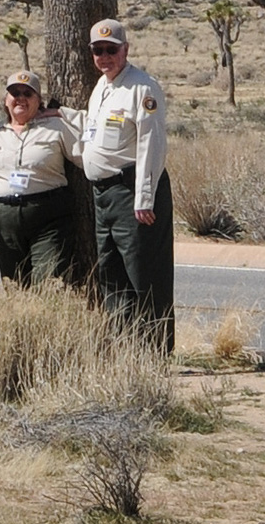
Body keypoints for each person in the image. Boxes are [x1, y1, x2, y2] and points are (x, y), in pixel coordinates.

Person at [81, 18, 174, 352]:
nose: (105, 57)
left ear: (126, 49)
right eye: (98, 51)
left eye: (111, 49)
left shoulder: (142, 88)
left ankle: (155, 352)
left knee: (145, 276)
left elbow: (152, 144)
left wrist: (144, 197)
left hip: (132, 192)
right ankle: (126, 350)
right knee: (112, 277)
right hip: (104, 195)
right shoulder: (101, 88)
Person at [0, 70, 83, 287]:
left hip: (48, 217)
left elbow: (86, 157)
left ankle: (44, 320)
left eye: (28, 93)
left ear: (38, 100)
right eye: (15, 93)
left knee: (49, 284)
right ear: (6, 100)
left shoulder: (56, 128)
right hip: (4, 220)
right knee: (14, 285)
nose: (21, 98)